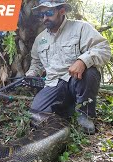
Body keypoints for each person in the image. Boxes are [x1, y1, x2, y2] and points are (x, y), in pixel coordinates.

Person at [26, 0, 111, 134]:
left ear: (62, 11)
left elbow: (103, 49)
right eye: (41, 15)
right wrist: (31, 74)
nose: (45, 18)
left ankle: (85, 115)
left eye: (49, 13)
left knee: (90, 72)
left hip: (76, 80)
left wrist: (83, 61)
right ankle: (68, 111)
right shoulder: (40, 39)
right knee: (35, 113)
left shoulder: (81, 28)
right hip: (54, 84)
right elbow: (36, 63)